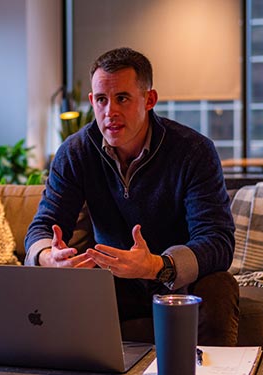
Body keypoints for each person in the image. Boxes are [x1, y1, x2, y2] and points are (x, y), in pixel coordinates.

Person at [25, 47, 239, 345]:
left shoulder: (193, 151)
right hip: (112, 281)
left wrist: (156, 265)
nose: (109, 111)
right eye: (101, 100)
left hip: (178, 280)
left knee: (219, 286)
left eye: (122, 98)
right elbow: (43, 226)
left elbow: (218, 241)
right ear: (92, 102)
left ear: (149, 100)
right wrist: (49, 257)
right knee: (52, 290)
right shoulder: (75, 152)